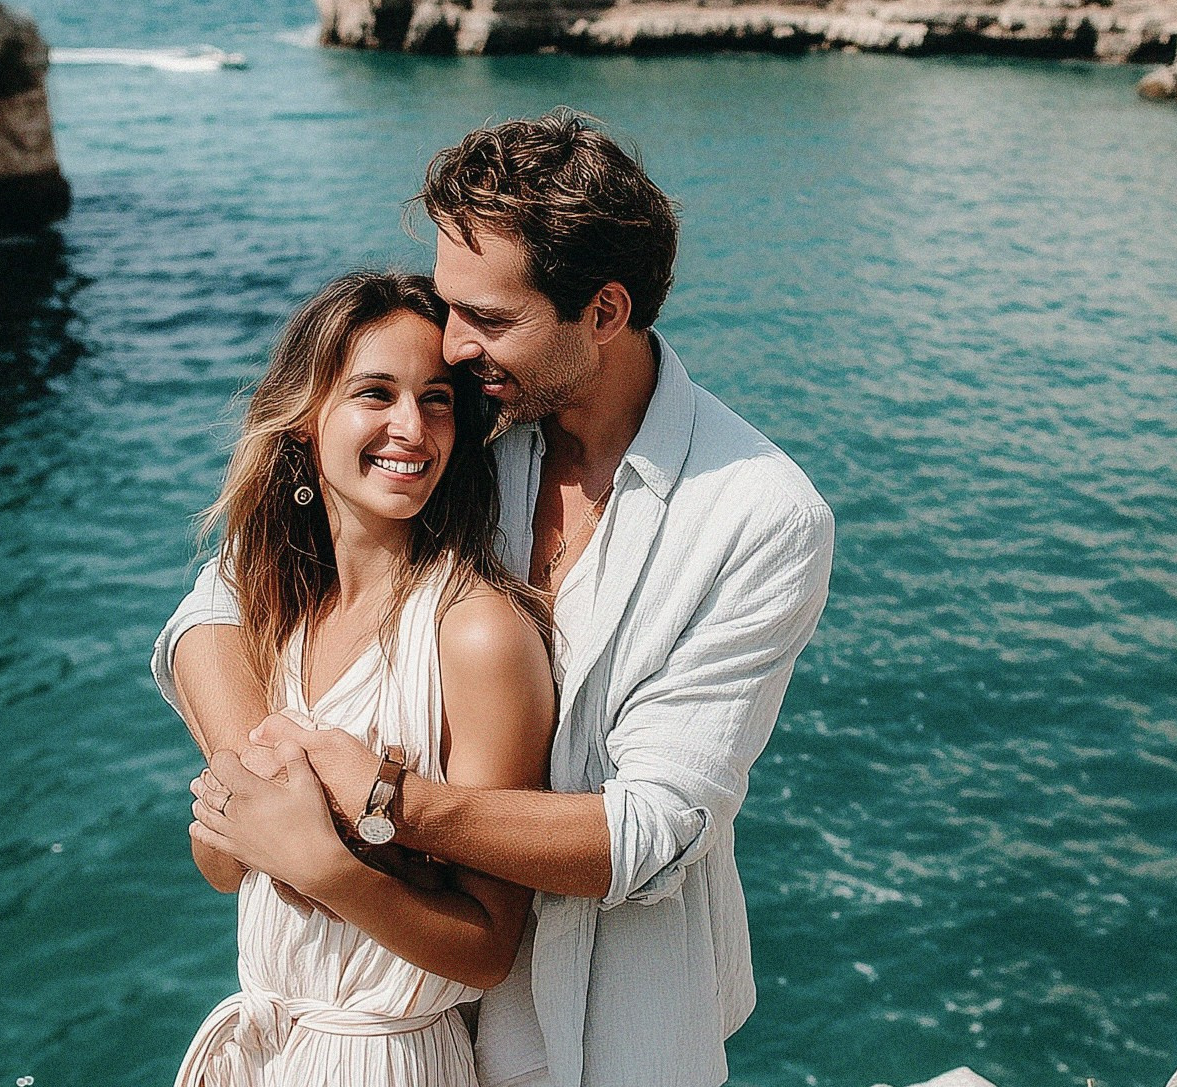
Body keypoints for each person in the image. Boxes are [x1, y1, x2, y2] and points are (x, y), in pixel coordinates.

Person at [155, 109, 835, 1087]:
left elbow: (651, 832)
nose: (453, 346)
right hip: (388, 1013)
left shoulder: (759, 517)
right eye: (448, 303)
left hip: (608, 1024)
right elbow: (221, 599)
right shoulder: (462, 427)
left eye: (489, 317)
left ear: (602, 311)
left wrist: (378, 803)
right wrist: (259, 781)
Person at [166, 271, 556, 1086]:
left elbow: (488, 943)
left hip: (384, 1058)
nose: (411, 428)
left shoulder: (474, 631)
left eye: (437, 399)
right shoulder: (278, 612)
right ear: (305, 421)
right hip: (267, 1042)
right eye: (374, 393)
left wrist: (325, 863)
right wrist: (242, 830)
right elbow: (223, 865)